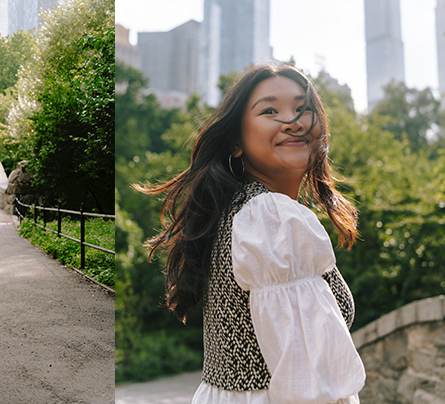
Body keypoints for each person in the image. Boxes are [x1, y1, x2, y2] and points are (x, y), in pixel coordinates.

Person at [139, 63, 365, 403]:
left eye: (304, 108)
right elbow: (310, 386)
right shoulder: (268, 217)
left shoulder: (246, 211)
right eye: (270, 110)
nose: (294, 121)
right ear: (235, 143)